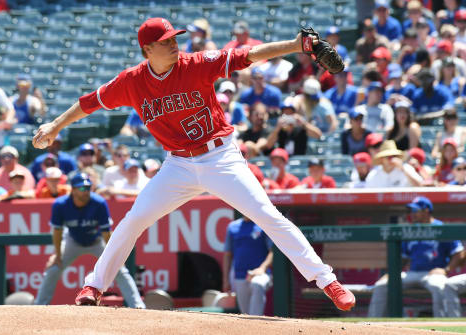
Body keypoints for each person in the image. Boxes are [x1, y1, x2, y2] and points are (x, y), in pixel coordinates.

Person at [33, 17, 355, 310]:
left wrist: (298, 45)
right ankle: (93, 287)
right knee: (133, 220)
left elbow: (249, 54)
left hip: (220, 157)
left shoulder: (196, 64)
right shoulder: (131, 82)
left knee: (266, 214)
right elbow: (89, 102)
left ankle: (327, 281)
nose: (175, 44)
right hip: (178, 165)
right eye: (167, 41)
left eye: (175, 38)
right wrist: (55, 126)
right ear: (147, 49)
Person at [33, 173, 145, 308]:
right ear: (73, 189)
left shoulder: (98, 202)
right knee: (53, 268)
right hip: (72, 241)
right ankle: (39, 305)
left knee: (119, 269)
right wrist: (57, 254)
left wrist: (113, 256)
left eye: (88, 188)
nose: (85, 191)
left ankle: (137, 305)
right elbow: (57, 232)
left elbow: (106, 232)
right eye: (81, 188)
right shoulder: (60, 204)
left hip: (96, 240)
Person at [368, 196, 464, 317]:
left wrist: (446, 270)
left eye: (415, 211)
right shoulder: (412, 230)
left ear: (426, 211)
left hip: (432, 274)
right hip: (412, 273)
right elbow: (402, 258)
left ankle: (443, 325)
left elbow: (458, 253)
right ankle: (372, 324)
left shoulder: (441, 227)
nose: (412, 214)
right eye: (410, 211)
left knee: (439, 286)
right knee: (381, 286)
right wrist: (392, 274)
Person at [223, 216, 272, 315]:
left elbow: (273, 251)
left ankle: (256, 322)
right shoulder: (232, 227)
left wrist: (262, 268)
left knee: (257, 284)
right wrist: (226, 280)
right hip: (240, 276)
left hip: (261, 274)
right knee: (245, 314)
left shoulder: (263, 224)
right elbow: (227, 255)